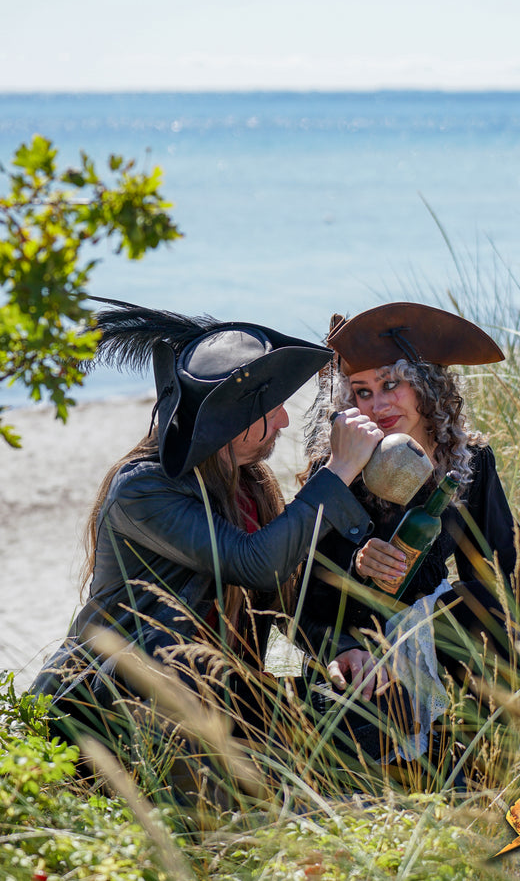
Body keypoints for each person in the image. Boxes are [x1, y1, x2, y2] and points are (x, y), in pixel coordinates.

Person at [31, 299, 384, 796]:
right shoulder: (143, 489)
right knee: (182, 661)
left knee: (346, 697)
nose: (285, 420)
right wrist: (339, 470)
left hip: (209, 695)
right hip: (102, 708)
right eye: (272, 408)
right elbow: (255, 564)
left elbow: (271, 617)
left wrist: (326, 658)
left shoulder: (252, 485)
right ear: (231, 421)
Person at [297, 302, 520, 767]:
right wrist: (357, 568)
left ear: (425, 384)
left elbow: (508, 565)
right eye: (362, 392)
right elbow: (301, 598)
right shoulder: (340, 469)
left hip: (446, 635)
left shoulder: (467, 460)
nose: (378, 405)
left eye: (391, 384)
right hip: (361, 650)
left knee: (474, 606)